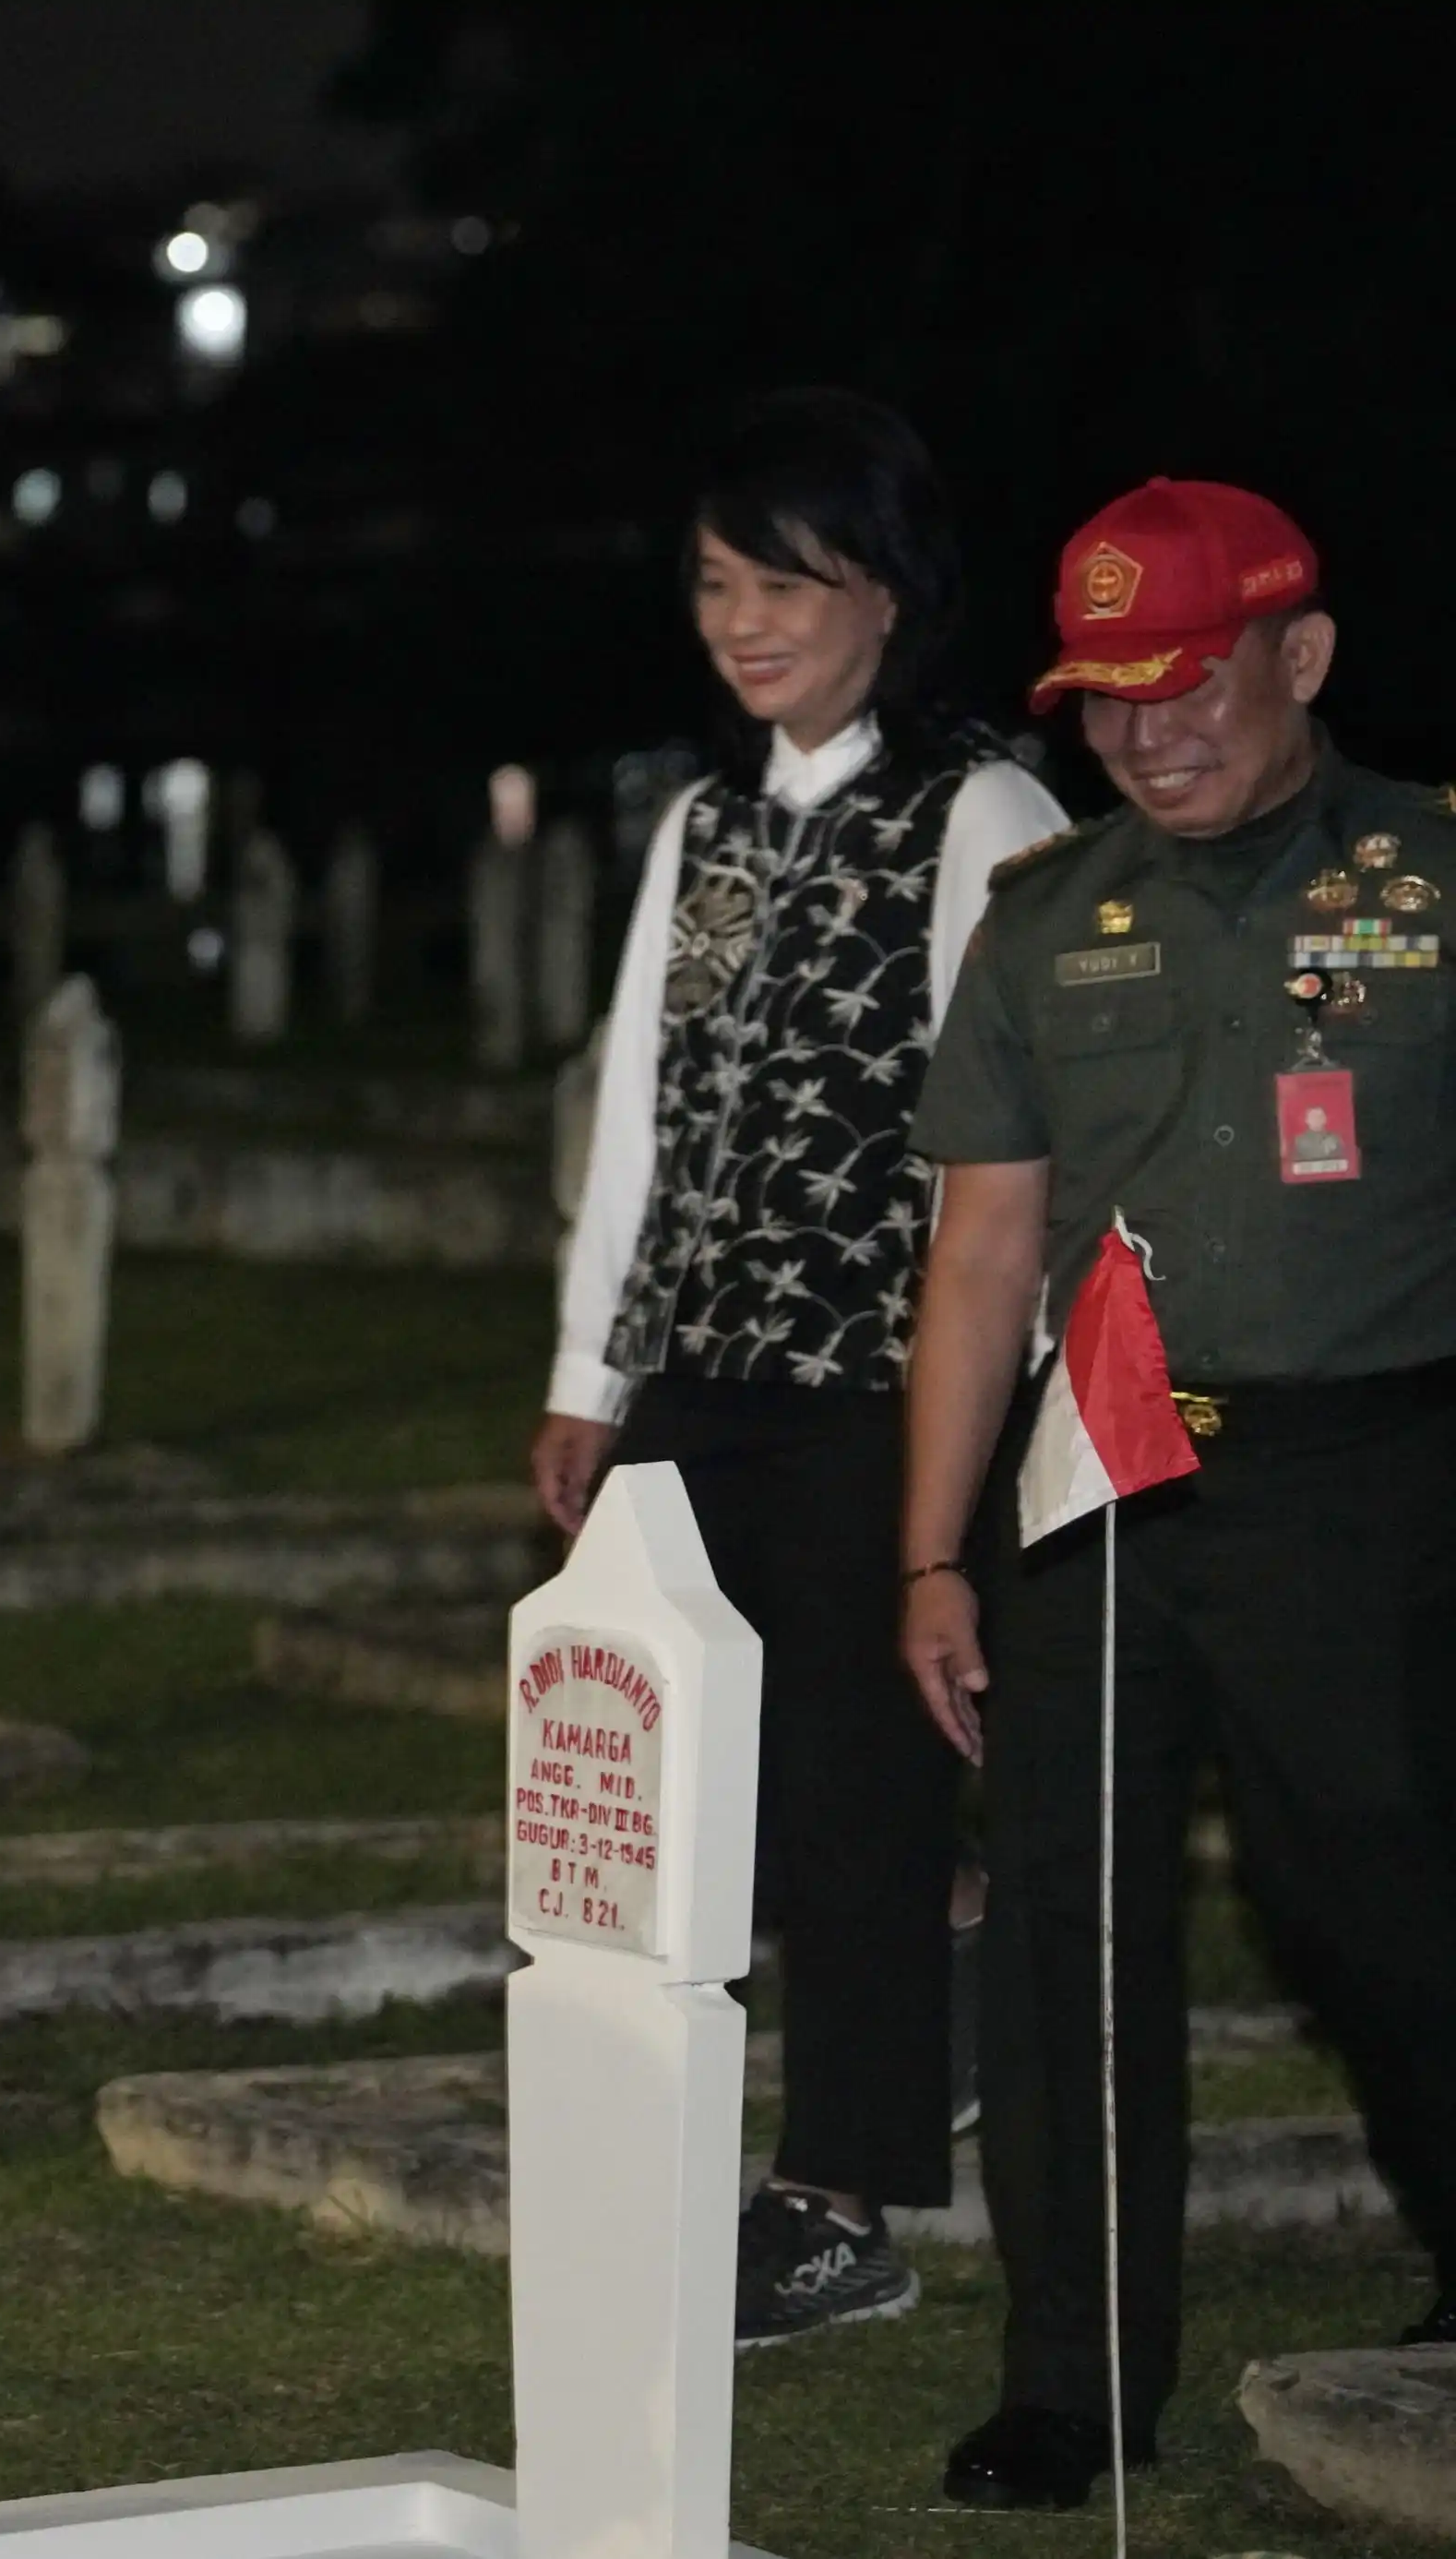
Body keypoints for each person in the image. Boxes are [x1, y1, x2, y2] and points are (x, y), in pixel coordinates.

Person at [902, 479, 1456, 2508]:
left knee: (1376, 1903)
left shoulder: (1431, 877)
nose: (1148, 732)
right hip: (1097, 1474)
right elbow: (977, 1254)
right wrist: (926, 1551)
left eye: (1188, 678)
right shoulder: (1045, 923)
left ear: (1297, 658)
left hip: (1370, 1478)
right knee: (1066, 1931)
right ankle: (1072, 2381)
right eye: (1106, 699)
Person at [532, 391, 1066, 2344]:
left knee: (852, 1782)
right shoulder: (706, 819)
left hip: (881, 1382)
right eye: (713, 583)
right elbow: (638, 1114)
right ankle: (936, 1970)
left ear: (888, 593)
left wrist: (981, 1417)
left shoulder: (985, 817)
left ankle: (833, 2204)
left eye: (785, 581)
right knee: (681, 1762)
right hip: (701, 1365)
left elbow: (1013, 1158)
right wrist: (594, 1367)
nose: (743, 620)